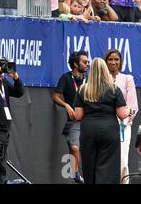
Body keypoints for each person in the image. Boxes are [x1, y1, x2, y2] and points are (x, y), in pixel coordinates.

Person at [74, 58, 133, 184]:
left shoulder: (83, 89)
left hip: (88, 131)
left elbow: (78, 115)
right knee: (108, 166)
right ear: (105, 70)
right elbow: (122, 114)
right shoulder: (114, 89)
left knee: (89, 165)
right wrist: (130, 110)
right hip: (109, 131)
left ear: (91, 71)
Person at [51, 50, 89, 184]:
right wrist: (66, 105)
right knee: (74, 148)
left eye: (88, 62)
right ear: (75, 63)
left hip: (89, 121)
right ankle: (76, 174)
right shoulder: (66, 78)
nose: (87, 64)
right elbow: (55, 96)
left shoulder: (89, 79)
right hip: (74, 121)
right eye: (84, 62)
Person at [104, 49, 138, 184]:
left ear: (120, 62)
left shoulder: (127, 79)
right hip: (103, 123)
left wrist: (124, 121)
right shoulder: (100, 79)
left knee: (122, 160)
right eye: (110, 59)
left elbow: (133, 106)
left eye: (116, 59)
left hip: (122, 125)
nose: (113, 62)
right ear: (105, 62)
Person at [0, 61, 24, 184]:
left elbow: (19, 92)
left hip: (5, 128)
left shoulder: (4, 83)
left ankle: (1, 181)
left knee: (1, 161)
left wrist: (16, 78)